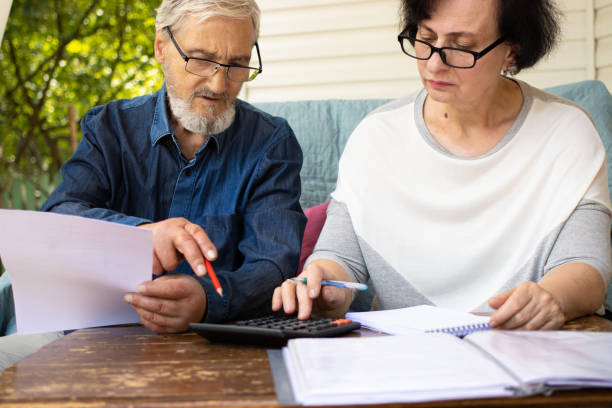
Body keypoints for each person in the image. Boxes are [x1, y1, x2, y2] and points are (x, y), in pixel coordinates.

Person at [1, 0, 305, 372]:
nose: (219, 83)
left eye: (238, 63)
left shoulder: (271, 143)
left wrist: (207, 301)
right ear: (162, 47)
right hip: (87, 335)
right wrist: (140, 235)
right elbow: (59, 217)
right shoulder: (109, 127)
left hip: (213, 345)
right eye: (201, 58)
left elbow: (273, 265)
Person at [272, 0, 612, 330]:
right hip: (406, 361)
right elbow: (340, 259)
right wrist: (322, 287)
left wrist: (551, 297)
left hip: (528, 351)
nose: (434, 64)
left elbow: (586, 265)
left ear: (512, 50)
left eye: (461, 46)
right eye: (426, 38)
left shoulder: (567, 132)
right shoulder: (376, 136)